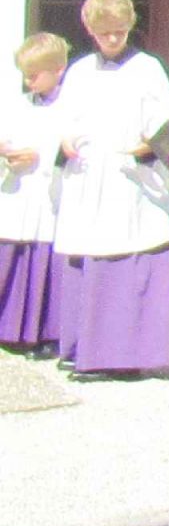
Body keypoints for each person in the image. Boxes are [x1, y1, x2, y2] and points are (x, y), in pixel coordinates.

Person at [50, 0, 169, 378]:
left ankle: (128, 355)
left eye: (120, 31)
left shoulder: (147, 69)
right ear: (90, 31)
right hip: (89, 179)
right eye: (105, 33)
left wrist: (152, 148)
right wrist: (63, 142)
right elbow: (62, 121)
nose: (113, 39)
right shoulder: (79, 72)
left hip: (131, 181)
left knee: (130, 260)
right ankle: (83, 348)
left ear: (130, 26)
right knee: (90, 257)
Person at [0, 32, 70, 354]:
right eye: (25, 76)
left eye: (34, 75)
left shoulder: (70, 106)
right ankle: (8, 329)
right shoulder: (19, 105)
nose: (29, 83)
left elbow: (69, 146)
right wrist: (8, 152)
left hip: (49, 196)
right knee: (12, 261)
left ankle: (43, 333)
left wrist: (40, 156)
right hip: (19, 193)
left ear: (58, 69)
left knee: (44, 266)